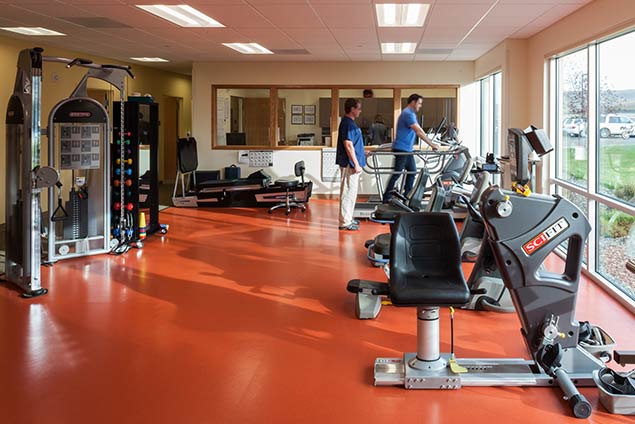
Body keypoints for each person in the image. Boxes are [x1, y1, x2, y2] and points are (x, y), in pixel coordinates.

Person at [383, 94, 439, 202]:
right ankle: (387, 197)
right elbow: (418, 131)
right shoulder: (408, 113)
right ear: (413, 102)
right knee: (397, 173)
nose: (420, 106)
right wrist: (432, 145)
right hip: (402, 149)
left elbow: (420, 130)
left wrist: (431, 142)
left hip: (407, 149)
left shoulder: (410, 114)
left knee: (412, 172)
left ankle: (407, 196)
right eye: (419, 103)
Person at [336, 98, 365, 231]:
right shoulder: (347, 123)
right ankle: (344, 222)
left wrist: (364, 153)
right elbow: (348, 145)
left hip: (352, 163)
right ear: (352, 109)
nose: (360, 111)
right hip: (350, 164)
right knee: (348, 191)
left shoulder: (350, 123)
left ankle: (348, 218)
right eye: (358, 108)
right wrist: (356, 164)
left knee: (351, 192)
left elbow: (354, 144)